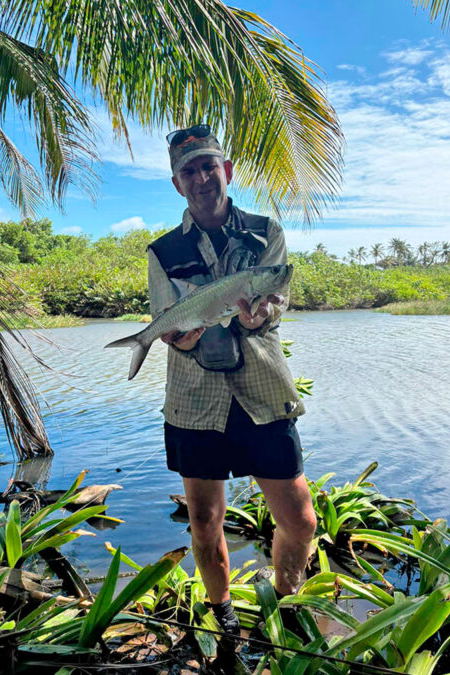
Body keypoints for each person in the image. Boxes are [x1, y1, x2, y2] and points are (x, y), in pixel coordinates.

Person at [145, 124, 317, 637]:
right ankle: (223, 616)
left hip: (264, 390)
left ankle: (285, 601)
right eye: (189, 171)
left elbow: (277, 304)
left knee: (301, 521)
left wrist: (257, 317)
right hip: (194, 400)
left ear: (227, 170)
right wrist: (181, 339)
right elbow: (166, 321)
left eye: (208, 167)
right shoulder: (163, 251)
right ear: (177, 183)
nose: (202, 178)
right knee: (203, 520)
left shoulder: (265, 232)